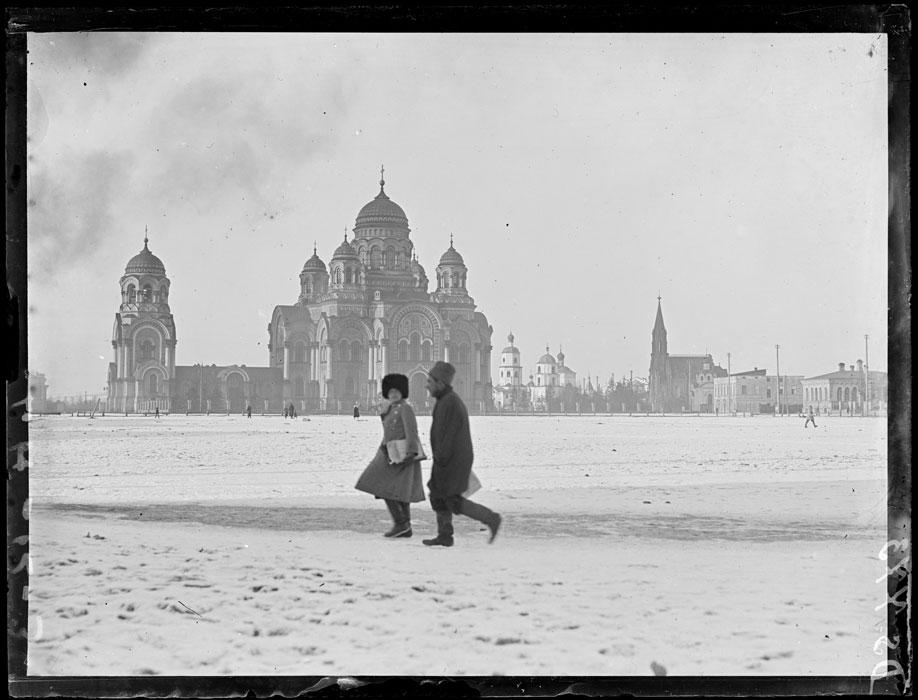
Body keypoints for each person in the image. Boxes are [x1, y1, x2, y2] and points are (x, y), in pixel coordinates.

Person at [423, 361, 501, 547]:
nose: (427, 385)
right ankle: (445, 535)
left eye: (430, 381)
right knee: (438, 496)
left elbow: (449, 435)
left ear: (440, 383)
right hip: (447, 458)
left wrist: (442, 458)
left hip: (452, 460)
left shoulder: (450, 403)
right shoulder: (445, 401)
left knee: (452, 500)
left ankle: (491, 518)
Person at [355, 374, 426, 538]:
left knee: (388, 488)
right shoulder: (391, 409)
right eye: (391, 391)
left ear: (403, 392)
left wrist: (411, 452)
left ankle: (402, 524)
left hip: (403, 456)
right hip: (389, 454)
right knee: (397, 490)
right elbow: (389, 433)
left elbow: (411, 432)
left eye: (397, 391)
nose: (394, 394)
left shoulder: (405, 408)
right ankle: (404, 525)